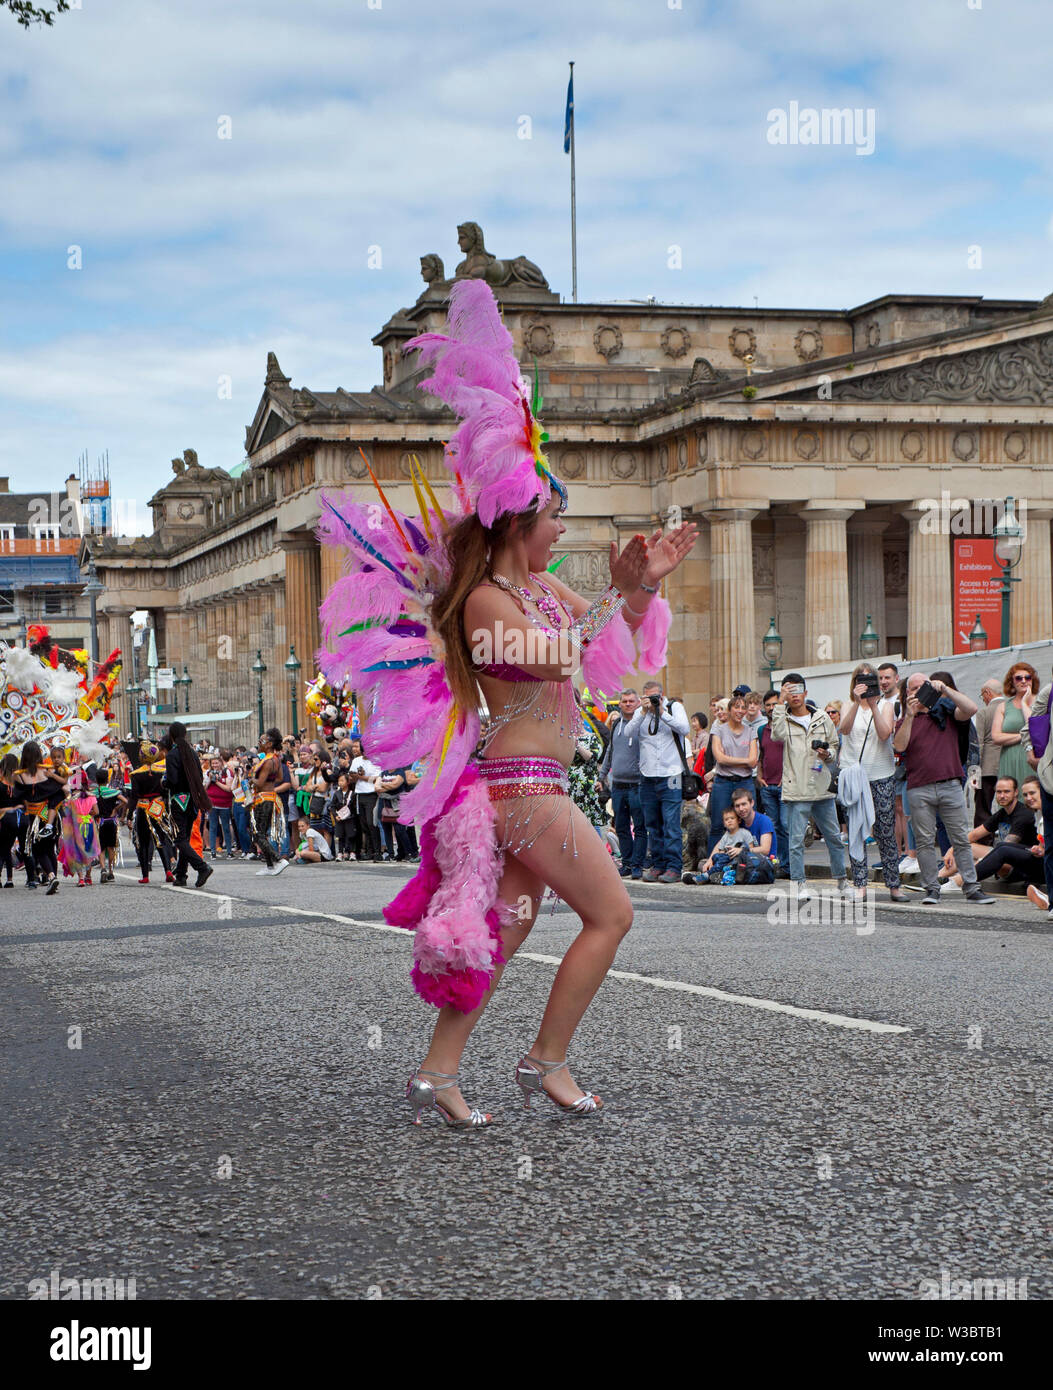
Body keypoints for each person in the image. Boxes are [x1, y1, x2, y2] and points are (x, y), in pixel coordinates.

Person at [317, 277, 697, 1126]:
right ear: (516, 523)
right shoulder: (489, 601)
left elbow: (605, 655)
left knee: (509, 929)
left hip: (538, 788)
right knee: (613, 913)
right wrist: (611, 593)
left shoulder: (547, 590)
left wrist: (637, 591)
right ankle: (543, 1061)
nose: (563, 530)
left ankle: (436, 1073)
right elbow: (543, 660)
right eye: (553, 518)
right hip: (522, 789)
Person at [892, 674, 994, 906]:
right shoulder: (905, 720)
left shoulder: (946, 712)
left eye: (922, 687)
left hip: (950, 783)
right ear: (907, 693)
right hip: (919, 787)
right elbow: (899, 746)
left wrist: (945, 690)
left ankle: (971, 887)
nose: (917, 692)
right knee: (925, 841)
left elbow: (971, 708)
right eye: (913, 689)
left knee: (960, 838)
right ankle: (931, 889)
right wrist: (909, 715)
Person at [769, 674, 846, 900]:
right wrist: (780, 703)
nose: (794, 695)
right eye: (789, 691)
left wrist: (828, 753)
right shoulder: (784, 716)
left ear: (805, 693)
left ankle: (842, 881)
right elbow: (777, 735)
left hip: (821, 785)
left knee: (833, 836)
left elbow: (834, 747)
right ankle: (798, 884)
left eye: (797, 690)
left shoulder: (822, 717)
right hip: (797, 788)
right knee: (796, 840)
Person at [838, 662, 904, 901]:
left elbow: (885, 733)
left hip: (881, 774)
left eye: (870, 680)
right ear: (854, 684)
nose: (866, 684)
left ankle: (893, 885)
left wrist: (874, 705)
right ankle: (860, 884)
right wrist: (858, 702)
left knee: (885, 831)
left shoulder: (886, 705)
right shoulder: (848, 705)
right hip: (854, 776)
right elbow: (844, 730)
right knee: (855, 831)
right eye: (861, 680)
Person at [623, 679, 692, 883]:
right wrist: (643, 712)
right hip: (648, 776)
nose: (652, 700)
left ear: (662, 695)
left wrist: (662, 711)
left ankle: (674, 867)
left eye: (655, 697)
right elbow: (628, 733)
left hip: (671, 774)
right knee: (652, 824)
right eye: (648, 697)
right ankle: (658, 864)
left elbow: (685, 728)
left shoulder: (674, 707)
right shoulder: (640, 713)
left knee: (671, 823)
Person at [936, 774, 1040, 892]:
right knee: (966, 847)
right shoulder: (1002, 813)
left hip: (1022, 868)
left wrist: (981, 861)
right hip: (1009, 859)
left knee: (1001, 849)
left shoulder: (1024, 814)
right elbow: (974, 835)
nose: (1002, 796)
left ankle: (958, 882)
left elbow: (1007, 849)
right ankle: (937, 879)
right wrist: (951, 850)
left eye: (1006, 792)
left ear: (1015, 792)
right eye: (999, 792)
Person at [597, 689, 647, 880]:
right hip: (617, 785)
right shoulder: (617, 724)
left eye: (631, 701)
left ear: (638, 703)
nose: (627, 704)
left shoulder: (643, 724)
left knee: (640, 827)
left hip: (637, 785)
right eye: (624, 701)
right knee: (622, 826)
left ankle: (637, 864)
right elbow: (611, 750)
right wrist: (602, 777)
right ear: (619, 704)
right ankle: (626, 863)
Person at [706, 693, 759, 853]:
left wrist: (732, 759)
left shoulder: (750, 731)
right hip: (723, 782)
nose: (741, 711)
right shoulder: (719, 730)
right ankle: (713, 862)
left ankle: (748, 861)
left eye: (744, 707)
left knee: (749, 821)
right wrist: (743, 761)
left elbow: (753, 761)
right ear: (729, 710)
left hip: (745, 781)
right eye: (737, 707)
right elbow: (720, 758)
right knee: (717, 824)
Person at [164, 722, 214, 889]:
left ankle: (202, 867)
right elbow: (199, 777)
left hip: (178, 800)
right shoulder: (192, 753)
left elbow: (172, 780)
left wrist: (163, 782)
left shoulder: (172, 755)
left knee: (179, 839)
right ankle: (181, 875)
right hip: (192, 800)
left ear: (171, 735)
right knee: (184, 838)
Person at [124, 738, 176, 884]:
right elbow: (165, 790)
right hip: (157, 806)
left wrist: (129, 814)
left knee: (144, 841)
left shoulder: (136, 774)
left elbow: (134, 796)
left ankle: (145, 875)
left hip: (142, 806)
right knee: (161, 838)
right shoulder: (161, 771)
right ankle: (168, 871)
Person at [992, 662, 1038, 791]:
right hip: (1009, 757)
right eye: (1018, 678)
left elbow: (1033, 727)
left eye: (1027, 678)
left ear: (1032, 680)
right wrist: (1023, 735)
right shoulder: (1003, 706)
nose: (1023, 681)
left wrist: (1024, 703)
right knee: (1008, 795)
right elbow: (996, 737)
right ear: (1012, 682)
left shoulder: (1041, 702)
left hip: (1034, 757)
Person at [249, 727, 289, 876]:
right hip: (269, 797)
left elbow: (259, 783)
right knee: (259, 833)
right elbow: (278, 778)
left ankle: (278, 860)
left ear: (270, 744)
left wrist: (251, 778)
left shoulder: (267, 762)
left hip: (264, 799)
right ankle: (270, 865)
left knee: (258, 834)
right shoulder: (275, 759)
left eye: (263, 740)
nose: (260, 742)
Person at [972, 679, 1005, 827]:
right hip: (1008, 763)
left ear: (987, 693)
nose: (983, 699)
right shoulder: (1011, 708)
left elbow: (978, 743)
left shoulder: (984, 712)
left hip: (987, 767)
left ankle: (983, 842)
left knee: (982, 807)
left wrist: (974, 775)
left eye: (982, 695)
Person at [694, 806, 756, 884]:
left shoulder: (744, 833)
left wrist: (739, 851)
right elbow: (721, 852)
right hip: (726, 859)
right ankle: (719, 874)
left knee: (725, 861)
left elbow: (751, 849)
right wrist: (723, 854)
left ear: (739, 820)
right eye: (726, 819)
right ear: (724, 824)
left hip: (738, 860)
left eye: (732, 818)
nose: (729, 821)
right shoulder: (725, 836)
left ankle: (707, 875)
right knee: (715, 856)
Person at [728, 784, 776, 883]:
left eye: (744, 804)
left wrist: (741, 851)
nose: (741, 809)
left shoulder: (764, 820)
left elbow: (765, 850)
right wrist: (710, 860)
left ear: (752, 803)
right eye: (737, 806)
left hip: (763, 864)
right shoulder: (739, 822)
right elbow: (723, 841)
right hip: (745, 861)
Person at [95, 763, 127, 883]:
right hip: (112, 822)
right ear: (107, 779)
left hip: (100, 822)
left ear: (96, 780)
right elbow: (125, 801)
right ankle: (111, 872)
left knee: (101, 848)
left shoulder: (95, 793)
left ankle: (103, 869)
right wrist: (116, 809)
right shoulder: (112, 792)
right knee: (111, 847)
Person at [205, 753, 237, 859]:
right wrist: (210, 779)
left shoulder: (226, 772)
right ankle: (213, 851)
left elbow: (229, 788)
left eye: (216, 762)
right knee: (213, 827)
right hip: (212, 804)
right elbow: (204, 787)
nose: (215, 765)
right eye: (213, 763)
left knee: (226, 827)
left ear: (220, 762)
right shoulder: (207, 773)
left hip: (225, 805)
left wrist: (216, 781)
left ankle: (229, 851)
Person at [0, 753, 20, 888]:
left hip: (2, 817)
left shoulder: (1, 783)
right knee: (7, 848)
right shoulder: (18, 782)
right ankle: (10, 878)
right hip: (15, 818)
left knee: (1, 849)